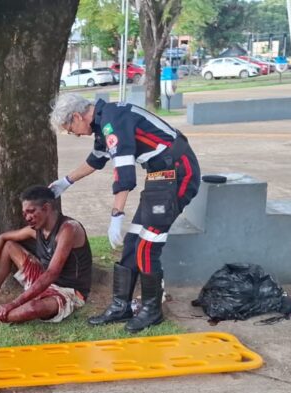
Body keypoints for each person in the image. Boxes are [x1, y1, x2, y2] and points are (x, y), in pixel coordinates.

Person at [48, 93, 200, 333]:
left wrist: (116, 215)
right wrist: (66, 181)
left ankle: (152, 311)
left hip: (178, 174)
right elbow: (97, 158)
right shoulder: (104, 122)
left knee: (148, 244)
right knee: (133, 242)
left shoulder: (112, 119)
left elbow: (125, 172)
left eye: (70, 128)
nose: (74, 134)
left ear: (77, 116)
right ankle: (121, 306)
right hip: (159, 177)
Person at [0, 186, 92, 324]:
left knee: (33, 308)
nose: (28, 218)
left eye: (31, 212)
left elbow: (52, 274)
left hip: (69, 292)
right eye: (25, 214)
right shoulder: (35, 230)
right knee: (9, 246)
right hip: (44, 280)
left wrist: (14, 303)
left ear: (46, 208)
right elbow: (2, 238)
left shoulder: (68, 229)